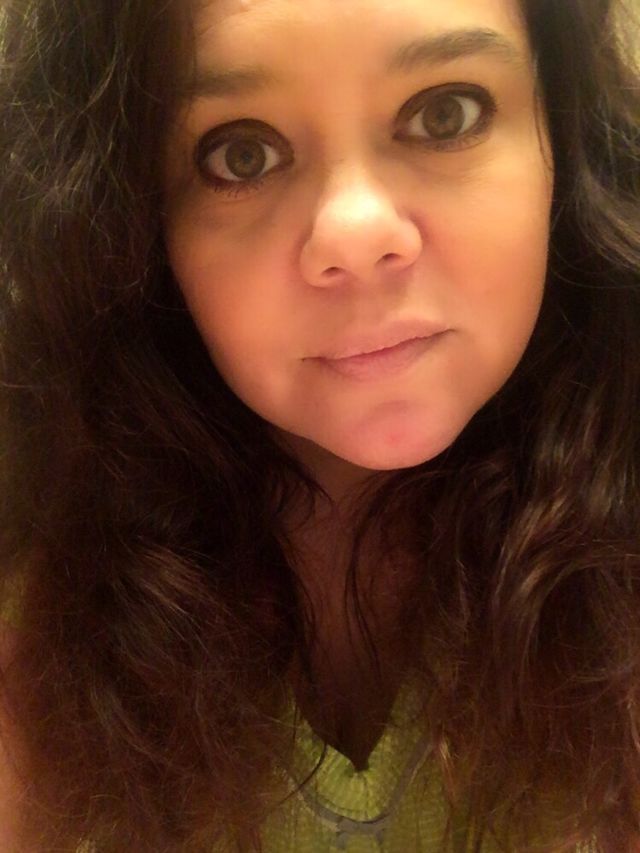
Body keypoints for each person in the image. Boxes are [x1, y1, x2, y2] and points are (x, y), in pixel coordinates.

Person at [0, 0, 638, 850]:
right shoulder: (40, 600)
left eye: (446, 114)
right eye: (242, 154)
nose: (355, 233)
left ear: (564, 135)